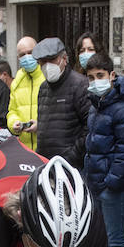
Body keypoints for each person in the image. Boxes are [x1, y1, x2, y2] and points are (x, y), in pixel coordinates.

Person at [83, 52, 124, 247]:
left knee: (116, 240)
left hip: (116, 188)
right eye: (91, 77)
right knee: (106, 239)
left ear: (112, 75)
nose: (95, 81)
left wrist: (110, 184)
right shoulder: (96, 107)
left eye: (100, 75)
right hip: (100, 185)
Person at [31, 37, 90, 169]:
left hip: (70, 166)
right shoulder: (43, 88)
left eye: (52, 60)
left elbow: (89, 128)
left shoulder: (80, 84)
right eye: (42, 62)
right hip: (45, 164)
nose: (47, 66)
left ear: (64, 59)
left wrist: (71, 156)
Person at [7, 36, 43, 150]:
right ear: (18, 58)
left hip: (45, 146)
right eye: (23, 54)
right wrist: (14, 123)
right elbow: (12, 111)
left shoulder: (47, 76)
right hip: (24, 149)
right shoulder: (17, 81)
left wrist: (41, 125)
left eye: (30, 52)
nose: (27, 57)